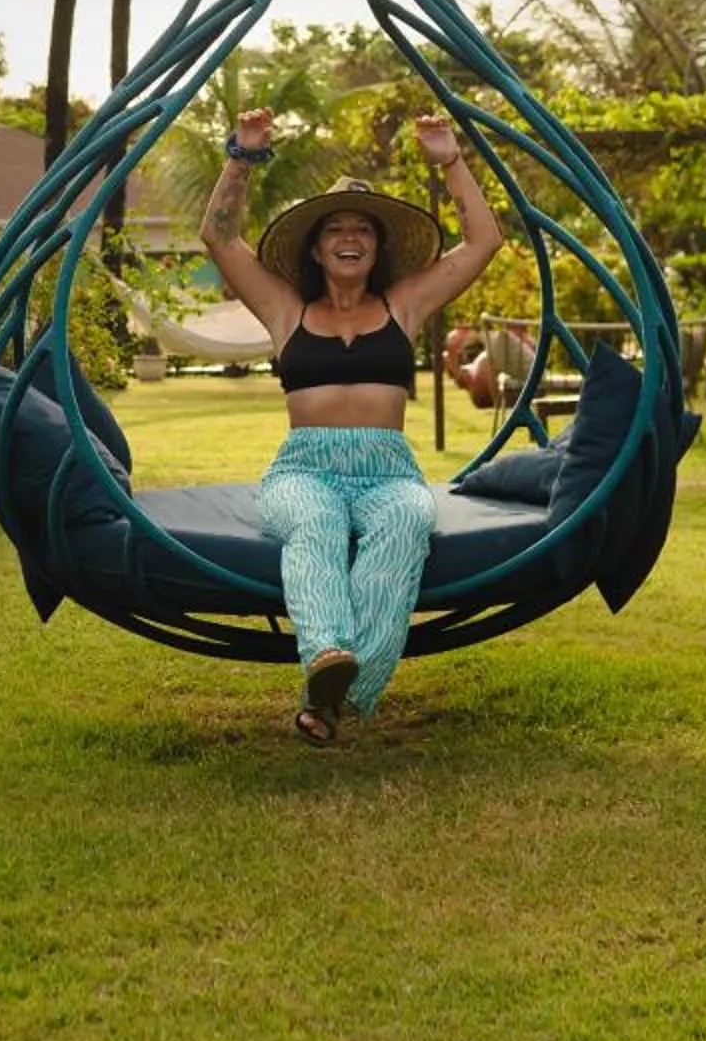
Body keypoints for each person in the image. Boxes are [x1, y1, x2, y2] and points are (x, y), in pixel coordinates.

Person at [199, 110, 502, 744]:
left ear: (377, 246)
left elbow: (482, 242)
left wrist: (449, 160)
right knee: (317, 524)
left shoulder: (404, 304)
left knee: (405, 524)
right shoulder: (285, 308)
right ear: (315, 246)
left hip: (388, 469)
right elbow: (220, 238)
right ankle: (329, 659)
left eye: (362, 229)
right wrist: (243, 156)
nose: (349, 236)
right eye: (335, 227)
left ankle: (332, 689)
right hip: (303, 469)